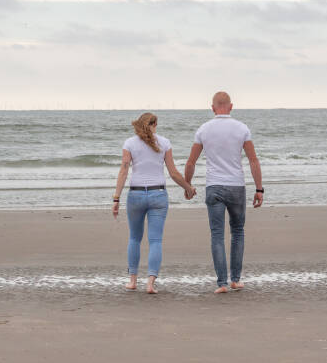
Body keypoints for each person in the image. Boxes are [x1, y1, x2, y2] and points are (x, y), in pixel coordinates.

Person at [185, 92, 264, 293]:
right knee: (237, 232)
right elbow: (253, 160)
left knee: (217, 235)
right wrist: (259, 189)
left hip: (214, 187)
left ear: (213, 108)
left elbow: (191, 162)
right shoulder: (242, 128)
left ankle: (222, 283)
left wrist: (187, 185)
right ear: (231, 106)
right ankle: (235, 280)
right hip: (236, 186)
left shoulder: (203, 129)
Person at [113, 112, 196, 294]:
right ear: (154, 124)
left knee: (134, 238)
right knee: (155, 240)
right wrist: (188, 188)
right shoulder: (164, 142)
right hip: (158, 194)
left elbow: (123, 171)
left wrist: (116, 197)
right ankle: (150, 283)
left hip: (136, 195)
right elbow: (173, 173)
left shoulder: (130, 143)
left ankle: (132, 281)